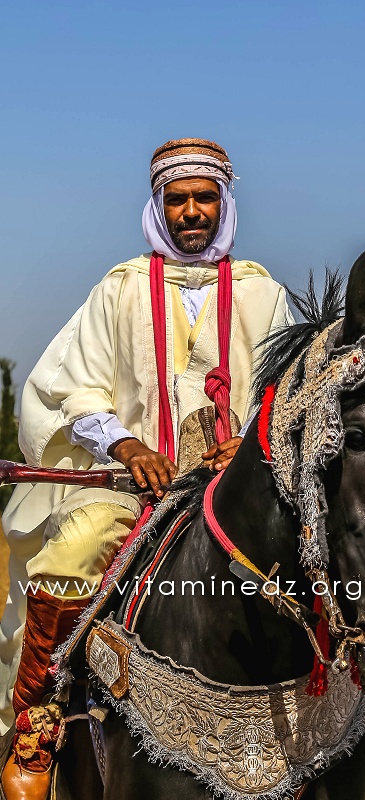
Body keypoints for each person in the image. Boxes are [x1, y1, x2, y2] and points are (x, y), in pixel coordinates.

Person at [0, 138, 291, 795]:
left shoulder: (263, 292)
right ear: (158, 205)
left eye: (204, 197)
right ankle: (40, 726)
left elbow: (287, 390)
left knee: (329, 560)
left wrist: (248, 442)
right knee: (73, 550)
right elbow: (78, 389)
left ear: (225, 203)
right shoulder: (121, 288)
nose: (192, 210)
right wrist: (128, 448)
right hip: (134, 487)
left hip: (238, 487)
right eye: (178, 198)